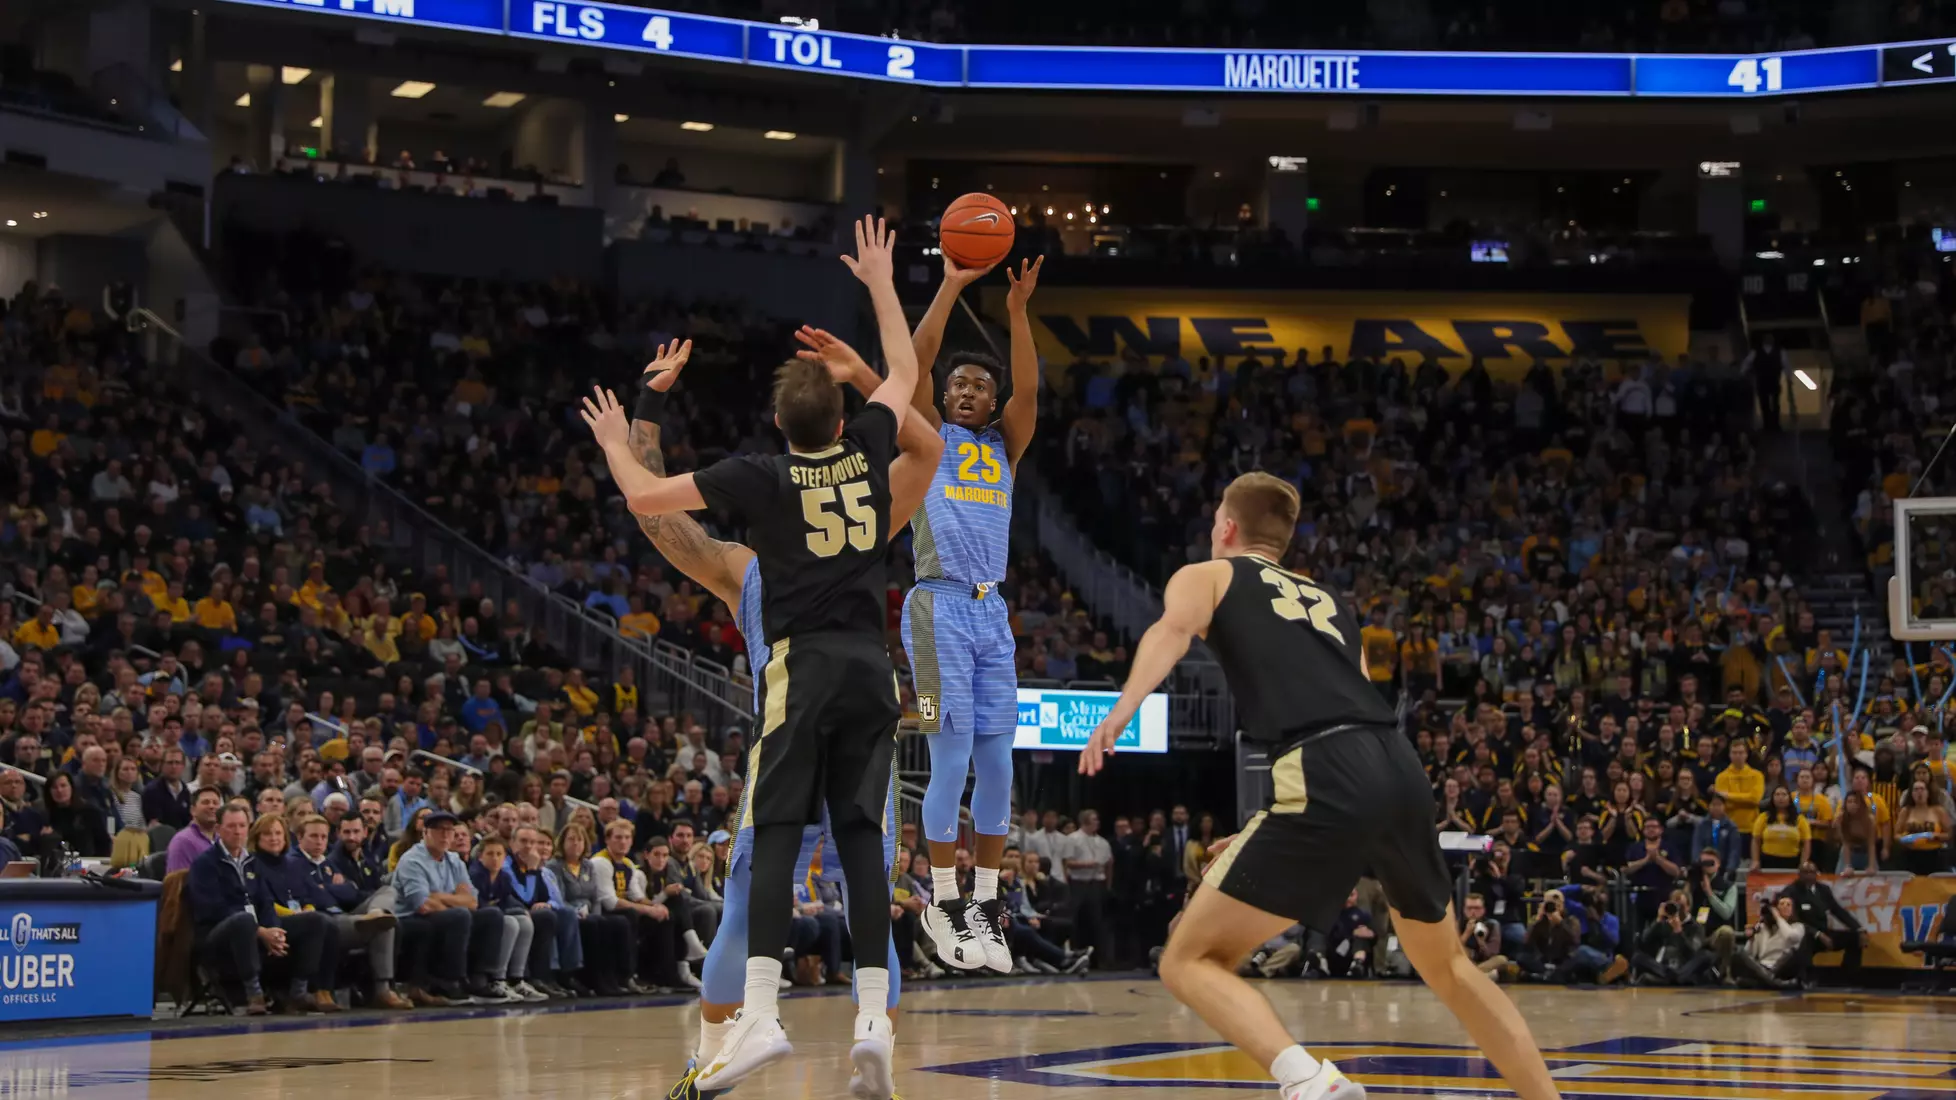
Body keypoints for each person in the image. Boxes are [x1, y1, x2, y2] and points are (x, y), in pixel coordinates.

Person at [1080, 472, 1561, 1100]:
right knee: (1451, 968)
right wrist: (1264, 832)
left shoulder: (1206, 575)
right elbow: (1356, 709)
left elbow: (1169, 632)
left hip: (1323, 767)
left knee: (1186, 960)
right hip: (1396, 763)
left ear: (1226, 526)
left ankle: (1311, 1083)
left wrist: (1118, 714)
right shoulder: (1334, 603)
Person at [584, 217, 917, 1096]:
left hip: (798, 689)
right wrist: (890, 313)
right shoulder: (829, 516)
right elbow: (917, 422)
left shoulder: (757, 506)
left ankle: (746, 1032)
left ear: (776, 422)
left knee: (766, 874)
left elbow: (652, 507)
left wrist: (638, 419)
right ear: (844, 420)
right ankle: (852, 1025)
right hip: (864, 681)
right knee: (850, 864)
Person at [901, 254, 1044, 974]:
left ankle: (986, 903)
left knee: (997, 766)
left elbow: (1030, 391)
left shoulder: (1005, 446)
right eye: (957, 383)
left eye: (978, 384)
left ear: (992, 403)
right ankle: (944, 899)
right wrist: (952, 286)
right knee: (948, 761)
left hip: (992, 617)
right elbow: (915, 365)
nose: (965, 390)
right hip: (934, 610)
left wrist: (1017, 313)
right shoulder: (928, 440)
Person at [186, 804, 328, 1015]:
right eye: (231, 826)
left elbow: (266, 901)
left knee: (314, 920)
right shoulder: (205, 864)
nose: (237, 831)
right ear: (219, 829)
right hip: (216, 933)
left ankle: (298, 992)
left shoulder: (253, 862)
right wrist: (259, 931)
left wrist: (273, 930)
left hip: (255, 927)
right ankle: (254, 995)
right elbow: (213, 909)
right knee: (243, 920)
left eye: (242, 825)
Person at [291, 813, 411, 1009]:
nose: (319, 841)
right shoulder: (295, 862)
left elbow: (352, 894)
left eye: (323, 836)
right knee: (382, 925)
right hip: (327, 921)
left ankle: (377, 913)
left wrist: (327, 888)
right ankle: (382, 991)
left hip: (345, 915)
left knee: (387, 899)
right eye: (313, 836)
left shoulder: (326, 863)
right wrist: (335, 888)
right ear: (300, 837)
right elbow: (310, 895)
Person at [1777, 861, 1865, 975]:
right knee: (1805, 941)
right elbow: (1793, 920)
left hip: (1824, 932)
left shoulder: (1823, 889)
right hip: (1804, 934)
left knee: (1855, 938)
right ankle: (1806, 976)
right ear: (1799, 874)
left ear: (1816, 874)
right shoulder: (1791, 891)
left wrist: (1859, 928)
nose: (1809, 875)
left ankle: (1848, 976)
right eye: (1805, 872)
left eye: (1812, 872)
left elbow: (1838, 911)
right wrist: (1817, 934)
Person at [1751, 786, 1812, 870]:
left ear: (1789, 798)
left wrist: (1804, 862)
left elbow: (1806, 842)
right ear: (1772, 798)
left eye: (1784, 794)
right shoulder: (1763, 817)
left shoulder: (1800, 819)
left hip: (1792, 861)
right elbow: (1756, 840)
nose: (1780, 797)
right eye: (1777, 794)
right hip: (1768, 860)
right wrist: (1755, 860)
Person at [166, 787, 225, 873]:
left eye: (215, 803)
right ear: (193, 810)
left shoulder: (222, 840)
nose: (211, 806)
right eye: (206, 802)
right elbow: (177, 882)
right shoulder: (183, 841)